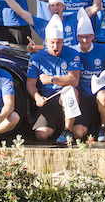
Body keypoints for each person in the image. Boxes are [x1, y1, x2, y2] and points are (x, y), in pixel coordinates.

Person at [0, 0, 102, 49]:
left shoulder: (74, 18)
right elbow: (19, 11)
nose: (55, 8)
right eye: (52, 5)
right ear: (49, 8)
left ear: (63, 6)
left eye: (58, 5)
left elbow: (96, 7)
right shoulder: (43, 24)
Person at [26, 15, 81, 143]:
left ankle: (68, 130)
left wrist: (52, 79)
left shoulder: (72, 54)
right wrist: (37, 97)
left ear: (63, 41)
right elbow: (30, 83)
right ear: (46, 41)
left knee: (70, 90)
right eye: (52, 42)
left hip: (67, 98)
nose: (55, 46)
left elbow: (74, 80)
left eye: (58, 42)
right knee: (41, 135)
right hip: (48, 100)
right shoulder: (36, 58)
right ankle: (56, 127)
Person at [70, 9, 105, 141]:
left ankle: (103, 126)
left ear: (93, 36)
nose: (85, 40)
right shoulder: (71, 50)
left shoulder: (104, 49)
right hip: (84, 99)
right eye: (82, 37)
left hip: (101, 98)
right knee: (78, 134)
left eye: (88, 36)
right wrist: (34, 49)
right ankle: (89, 126)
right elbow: (53, 49)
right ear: (77, 37)